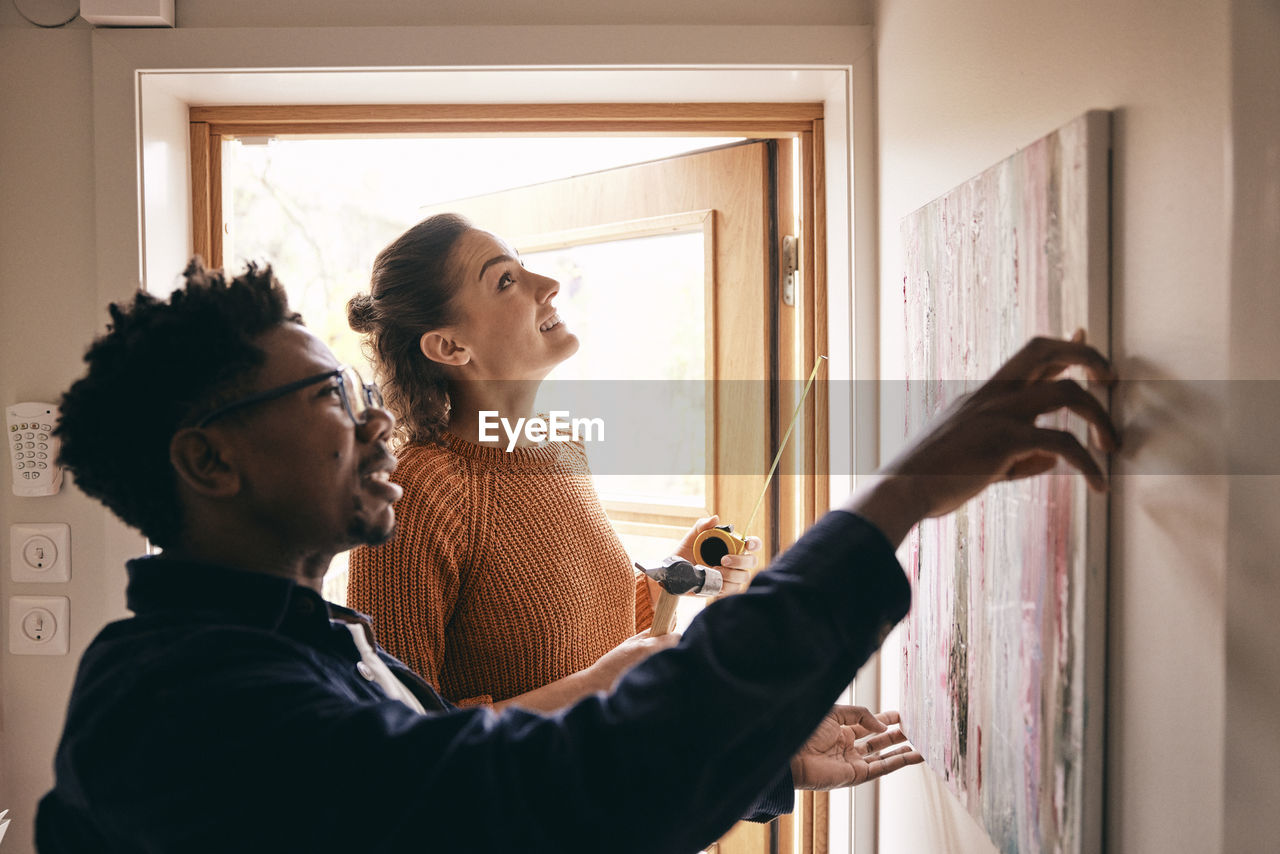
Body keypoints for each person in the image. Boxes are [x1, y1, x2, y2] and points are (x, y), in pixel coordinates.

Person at [36, 261, 1118, 853]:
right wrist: (901, 495)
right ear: (207, 460)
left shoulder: (307, 636)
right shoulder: (175, 703)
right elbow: (535, 802)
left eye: (360, 395)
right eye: (329, 398)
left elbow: (451, 772)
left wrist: (766, 754)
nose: (371, 425)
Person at [345, 213, 761, 711]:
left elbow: (579, 643)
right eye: (506, 280)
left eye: (523, 266)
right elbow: (396, 734)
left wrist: (672, 578)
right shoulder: (414, 494)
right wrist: (596, 685)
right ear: (450, 346)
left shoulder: (562, 443)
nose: (550, 284)